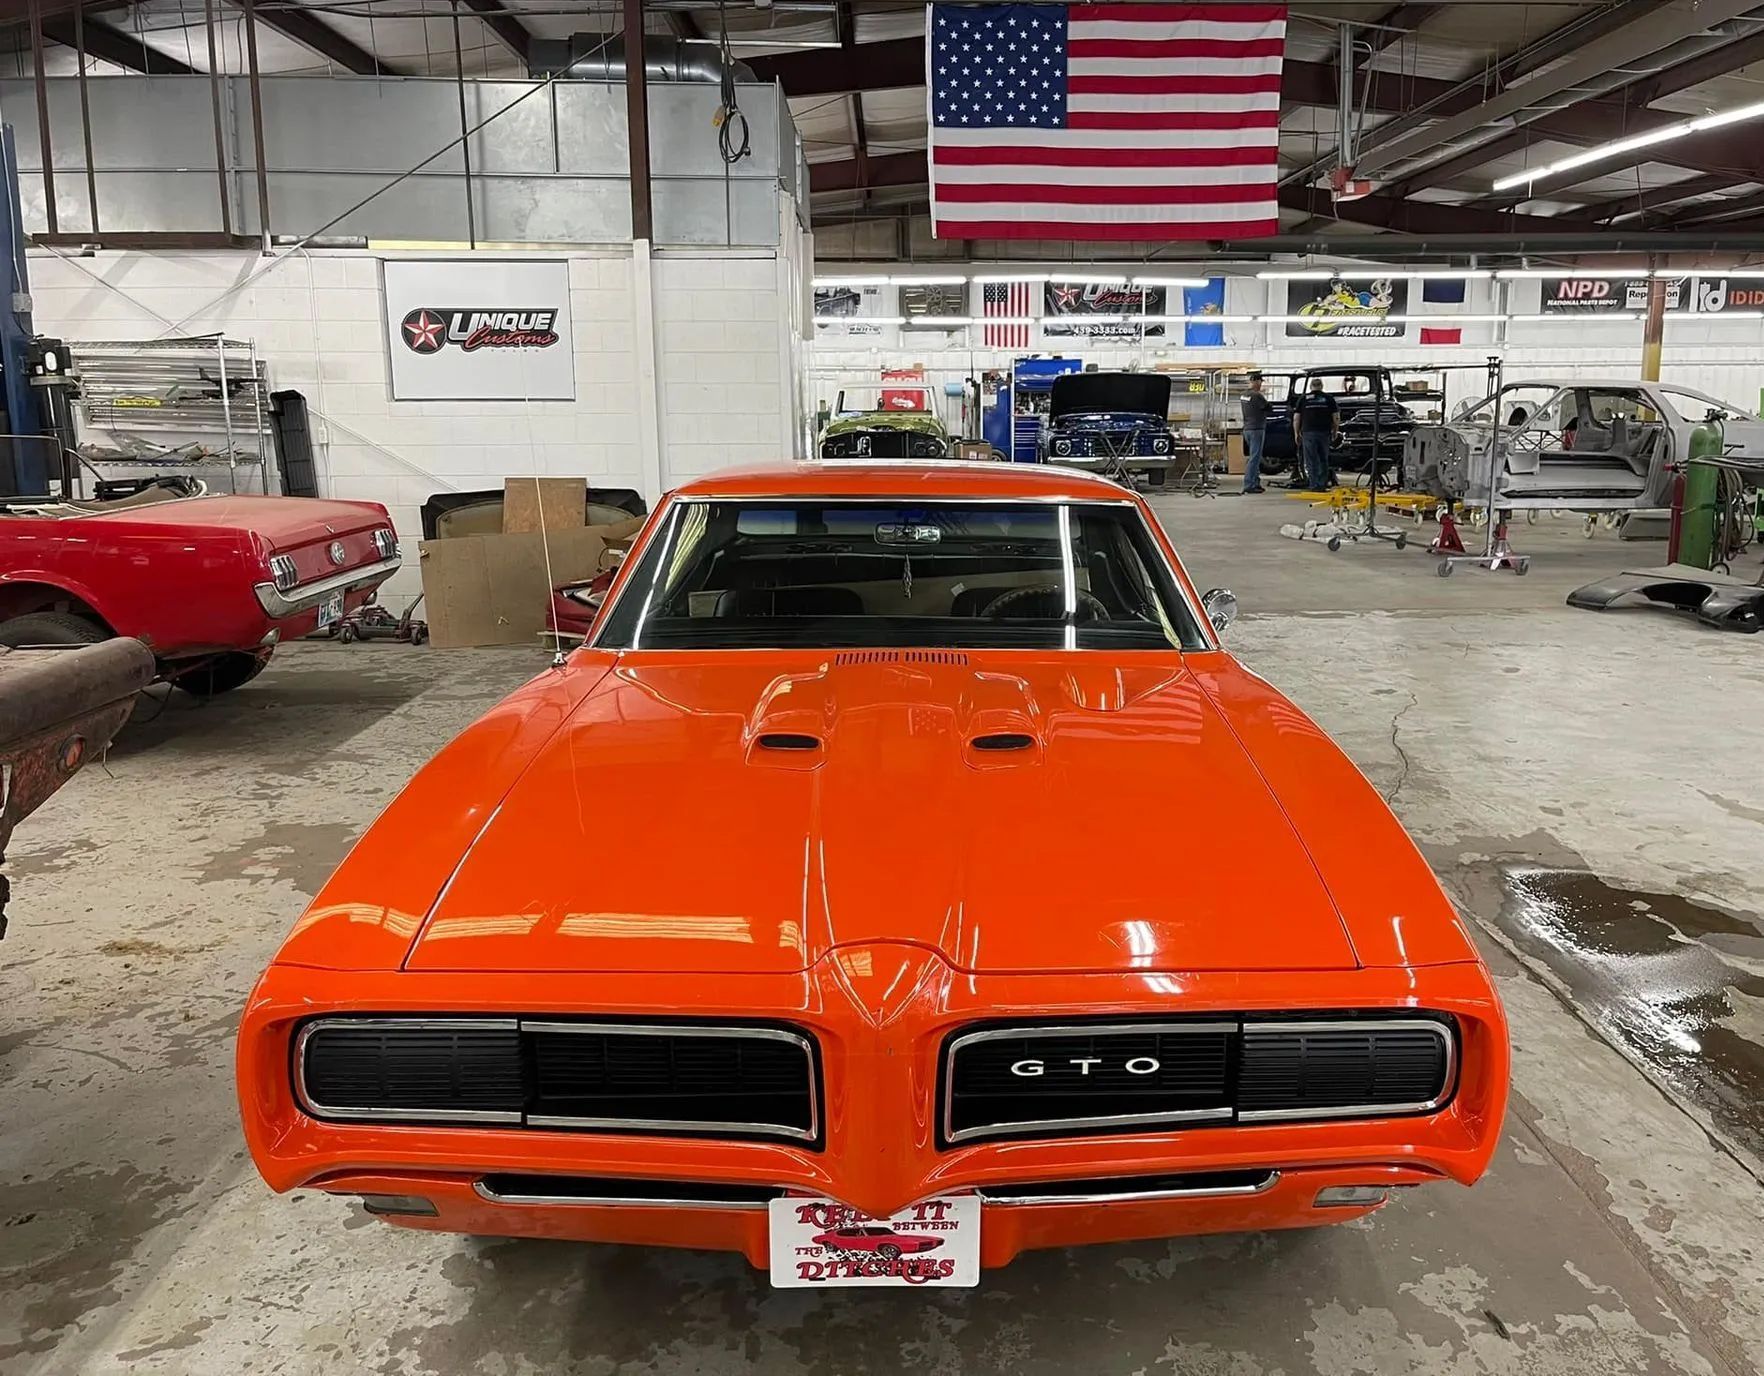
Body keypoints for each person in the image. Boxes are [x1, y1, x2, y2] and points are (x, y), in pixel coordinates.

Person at [1293, 377, 1339, 491]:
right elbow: (1336, 417)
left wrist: (1296, 433)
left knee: (1311, 459)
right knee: (1323, 459)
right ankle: (1322, 484)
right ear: (1322, 386)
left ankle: (1313, 484)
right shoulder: (1328, 398)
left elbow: (1296, 418)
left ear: (1310, 387)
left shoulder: (1303, 399)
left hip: (1308, 433)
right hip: (1324, 432)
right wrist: (1335, 431)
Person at [1239, 374, 1270, 494]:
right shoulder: (1257, 395)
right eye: (1260, 382)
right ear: (1256, 382)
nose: (1261, 384)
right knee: (1255, 458)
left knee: (1254, 457)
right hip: (1257, 429)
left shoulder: (1244, 395)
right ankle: (1249, 484)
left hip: (1247, 429)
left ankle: (1255, 482)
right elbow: (1269, 408)